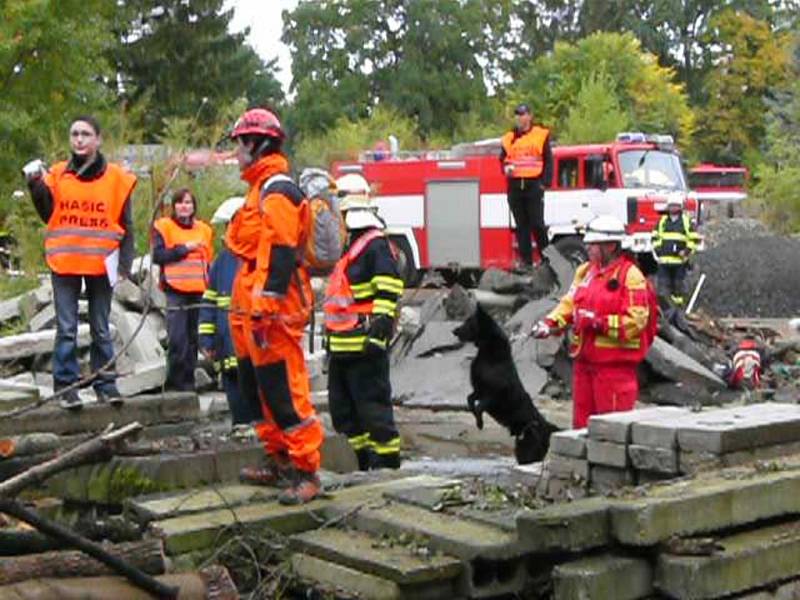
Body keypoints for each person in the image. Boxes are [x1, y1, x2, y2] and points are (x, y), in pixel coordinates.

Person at [227, 107, 324, 505]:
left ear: (257, 143)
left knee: (284, 388)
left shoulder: (277, 189)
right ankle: (279, 457)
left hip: (275, 307)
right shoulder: (260, 188)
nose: (236, 154)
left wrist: (265, 306)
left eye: (239, 145)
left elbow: (281, 251)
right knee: (256, 388)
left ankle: (306, 469)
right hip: (251, 302)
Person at [22, 116, 136, 409]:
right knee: (67, 328)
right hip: (66, 262)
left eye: (86, 134)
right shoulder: (57, 175)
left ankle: (106, 385)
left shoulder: (117, 179)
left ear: (98, 139)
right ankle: (66, 389)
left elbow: (127, 224)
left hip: (102, 263)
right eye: (74, 134)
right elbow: (49, 215)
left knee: (100, 327)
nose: (79, 139)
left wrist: (125, 265)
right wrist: (36, 187)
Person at [531, 215, 656, 428]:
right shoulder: (586, 272)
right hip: (584, 363)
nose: (587, 248)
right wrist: (550, 323)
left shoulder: (631, 276)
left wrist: (600, 323)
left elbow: (637, 321)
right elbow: (570, 302)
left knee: (611, 430)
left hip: (614, 369)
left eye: (593, 244)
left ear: (611, 246)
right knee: (581, 426)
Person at [324, 174, 404, 470]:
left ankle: (386, 464)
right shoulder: (352, 247)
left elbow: (388, 288)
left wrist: (378, 331)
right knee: (343, 411)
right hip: (342, 347)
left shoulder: (375, 246)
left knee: (374, 411)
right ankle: (363, 462)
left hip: (364, 347)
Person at [198, 196, 263, 434]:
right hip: (227, 349)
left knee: (257, 403)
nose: (228, 232)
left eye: (231, 225)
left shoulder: (259, 258)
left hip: (253, 349)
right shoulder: (222, 260)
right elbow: (210, 301)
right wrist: (206, 338)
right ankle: (241, 433)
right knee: (236, 401)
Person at [152, 189, 214, 392]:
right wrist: (184, 248)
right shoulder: (164, 227)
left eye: (188, 202)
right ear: (174, 206)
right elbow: (158, 255)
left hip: (198, 289)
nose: (184, 206)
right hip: (175, 289)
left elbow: (208, 260)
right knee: (177, 339)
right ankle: (175, 382)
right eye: (180, 203)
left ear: (194, 206)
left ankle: (188, 382)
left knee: (193, 339)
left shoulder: (204, 230)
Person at [499, 103, 553, 271]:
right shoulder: (508, 138)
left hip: (533, 184)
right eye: (517, 115)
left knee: (537, 224)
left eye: (522, 114)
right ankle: (526, 262)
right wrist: (505, 168)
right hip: (515, 186)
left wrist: (544, 183)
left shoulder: (540, 135)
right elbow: (502, 159)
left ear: (529, 116)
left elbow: (548, 160)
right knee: (521, 226)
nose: (520, 118)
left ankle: (548, 259)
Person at [651, 195, 700, 314]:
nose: (673, 208)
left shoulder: (686, 221)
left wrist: (686, 251)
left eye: (676, 205)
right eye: (671, 205)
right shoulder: (662, 221)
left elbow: (693, 238)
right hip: (664, 262)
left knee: (678, 287)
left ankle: (679, 310)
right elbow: (655, 236)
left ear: (680, 207)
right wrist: (658, 250)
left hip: (679, 262)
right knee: (663, 286)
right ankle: (666, 310)